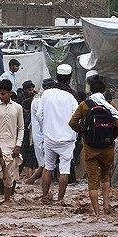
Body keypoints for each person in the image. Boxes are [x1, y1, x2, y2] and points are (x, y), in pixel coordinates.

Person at [68, 77, 118, 217]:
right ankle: (106, 204)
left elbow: (72, 123)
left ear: (90, 91)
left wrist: (84, 132)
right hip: (107, 147)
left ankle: (97, 213)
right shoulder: (110, 106)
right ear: (103, 91)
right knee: (105, 176)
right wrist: (111, 136)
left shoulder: (84, 105)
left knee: (92, 181)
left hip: (90, 148)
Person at [37, 65, 79, 205]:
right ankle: (60, 200)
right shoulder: (71, 97)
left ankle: (45, 197)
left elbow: (39, 114)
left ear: (56, 75)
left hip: (49, 138)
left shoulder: (46, 94)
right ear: (70, 77)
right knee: (64, 170)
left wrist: (46, 128)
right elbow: (76, 118)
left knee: (48, 166)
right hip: (67, 139)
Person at [0, 80, 24, 204]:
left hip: (11, 145)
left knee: (9, 176)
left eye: (3, 94)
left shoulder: (18, 108)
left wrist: (18, 145)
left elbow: (21, 127)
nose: (0, 97)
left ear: (10, 93)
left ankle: (7, 202)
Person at [19, 80, 39, 179]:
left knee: (28, 161)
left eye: (32, 89)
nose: (32, 91)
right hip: (33, 138)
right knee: (33, 161)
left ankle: (29, 180)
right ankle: (33, 180)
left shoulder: (25, 115)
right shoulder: (23, 100)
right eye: (29, 90)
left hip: (27, 139)